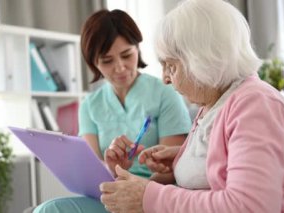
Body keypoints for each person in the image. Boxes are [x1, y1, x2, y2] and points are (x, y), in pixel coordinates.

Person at [99, 0, 284, 212]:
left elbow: (250, 206)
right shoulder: (214, 104)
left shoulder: (256, 104)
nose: (165, 80)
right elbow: (222, 165)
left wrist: (150, 197)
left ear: (203, 59)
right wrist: (182, 160)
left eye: (171, 66)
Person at [33, 9, 192, 213]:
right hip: (110, 196)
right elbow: (90, 169)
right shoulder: (90, 105)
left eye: (127, 55)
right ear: (94, 63)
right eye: (107, 61)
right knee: (48, 210)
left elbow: (173, 169)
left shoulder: (166, 93)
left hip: (152, 196)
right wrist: (113, 168)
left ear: (137, 49)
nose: (120, 67)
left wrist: (135, 188)